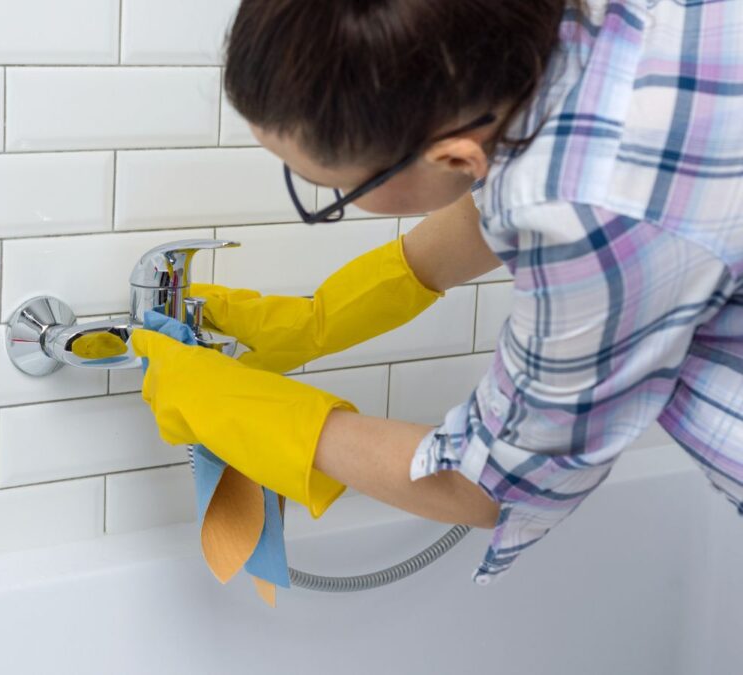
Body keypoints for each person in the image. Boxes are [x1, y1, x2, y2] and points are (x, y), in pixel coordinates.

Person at [130, 0, 743, 584]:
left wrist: (259, 415)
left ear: (454, 158)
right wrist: (321, 319)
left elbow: (488, 487)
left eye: (330, 191)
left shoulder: (591, 211)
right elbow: (518, 177)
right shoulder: (559, 45)